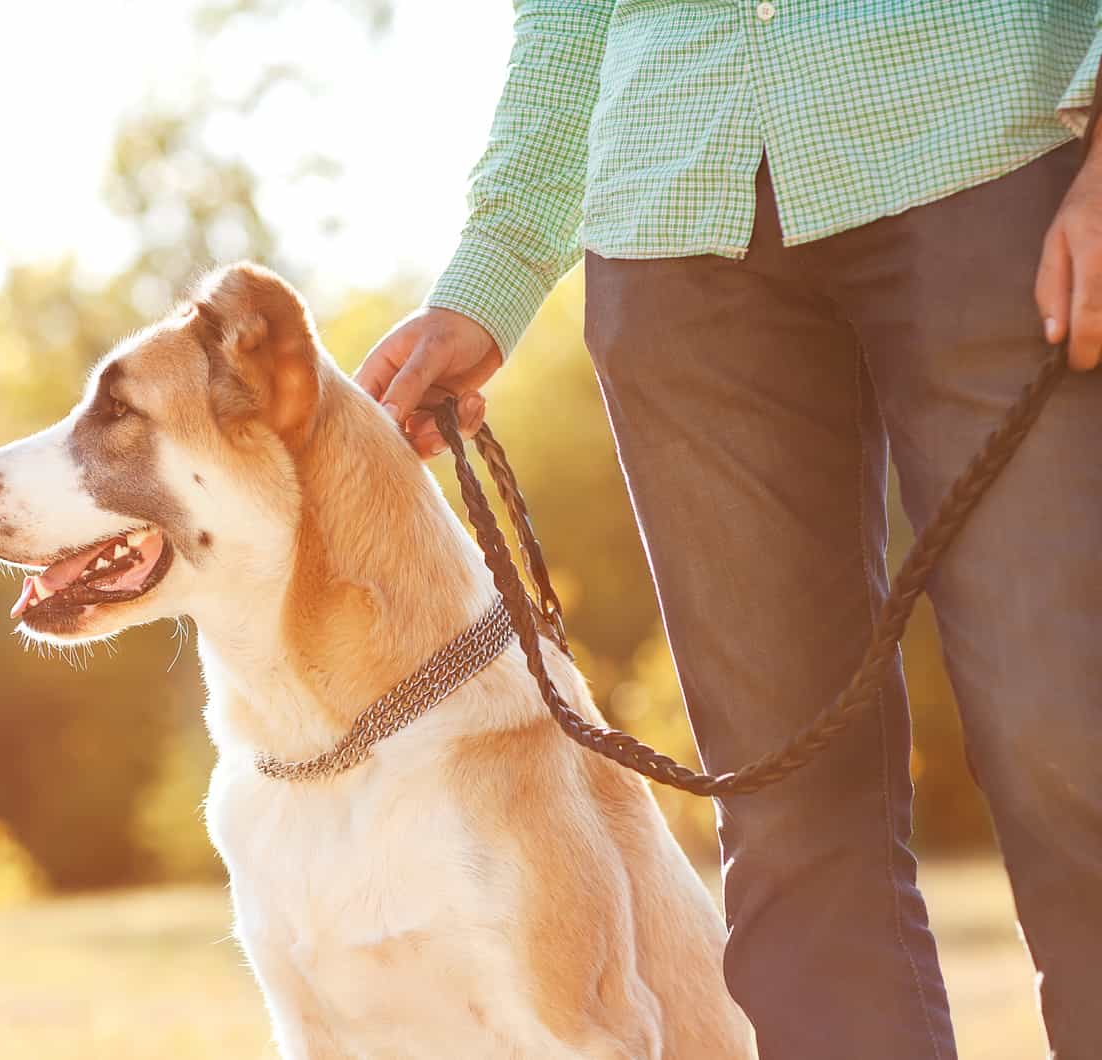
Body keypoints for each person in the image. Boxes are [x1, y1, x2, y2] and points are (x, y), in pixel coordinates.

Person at [355, 5, 1102, 1058]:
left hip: (984, 138)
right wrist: (498, 261)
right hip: (673, 215)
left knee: (1071, 735)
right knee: (783, 808)